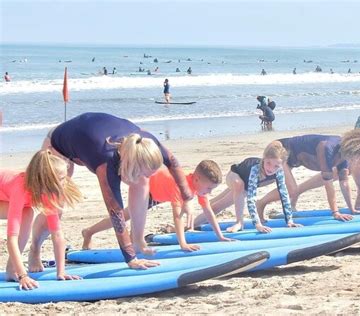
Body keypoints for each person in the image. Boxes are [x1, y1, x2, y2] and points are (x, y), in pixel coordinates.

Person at [36, 112, 192, 269]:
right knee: (55, 206)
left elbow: (173, 163)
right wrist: (130, 258)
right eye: (146, 170)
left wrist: (187, 199)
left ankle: (138, 240)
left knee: (142, 181)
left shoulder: (148, 143)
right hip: (58, 145)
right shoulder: (106, 164)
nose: (149, 175)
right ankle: (34, 253)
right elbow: (115, 212)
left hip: (88, 133)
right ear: (130, 164)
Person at [82, 160, 233, 251]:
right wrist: (183, 244)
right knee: (125, 217)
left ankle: (127, 240)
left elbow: (209, 212)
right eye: (209, 188)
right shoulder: (179, 186)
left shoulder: (199, 189)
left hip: (158, 194)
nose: (209, 192)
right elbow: (177, 217)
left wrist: (220, 236)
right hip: (144, 189)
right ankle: (89, 232)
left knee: (133, 229)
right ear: (197, 179)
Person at [256, 130, 360, 221]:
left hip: (291, 159)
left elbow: (344, 183)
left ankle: (264, 203)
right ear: (357, 150)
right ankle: (260, 203)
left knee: (292, 189)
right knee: (292, 190)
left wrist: (352, 209)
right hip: (279, 150)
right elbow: (328, 184)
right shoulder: (327, 148)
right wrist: (335, 212)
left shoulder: (345, 154)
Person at [0, 150, 83, 290]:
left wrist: (61, 272)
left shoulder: (48, 193)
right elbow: (11, 239)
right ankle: (16, 271)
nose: (66, 181)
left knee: (27, 212)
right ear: (47, 180)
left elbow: (57, 234)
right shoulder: (20, 189)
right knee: (27, 212)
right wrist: (23, 276)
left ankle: (11, 269)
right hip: (7, 194)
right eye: (62, 178)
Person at [194, 142, 301, 233]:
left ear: (282, 165)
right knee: (239, 185)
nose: (271, 168)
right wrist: (257, 224)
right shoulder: (255, 169)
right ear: (264, 159)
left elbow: (284, 195)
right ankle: (239, 222)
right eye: (268, 163)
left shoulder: (279, 172)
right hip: (234, 176)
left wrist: (289, 221)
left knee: (218, 207)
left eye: (276, 166)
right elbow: (251, 198)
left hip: (245, 185)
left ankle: (190, 225)